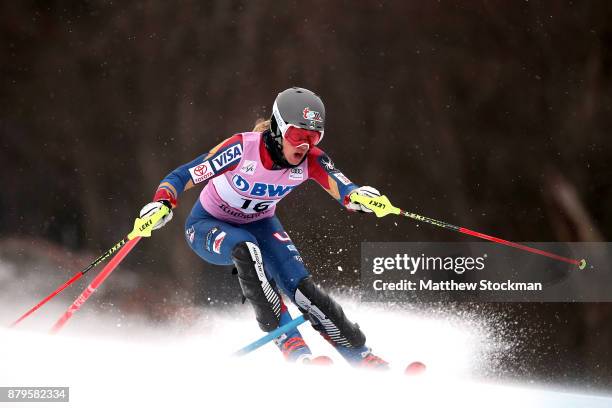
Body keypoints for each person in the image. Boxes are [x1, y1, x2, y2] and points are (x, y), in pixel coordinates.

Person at [140, 87, 388, 368]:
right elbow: (183, 174)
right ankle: (294, 350)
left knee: (303, 290)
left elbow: (344, 188)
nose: (305, 144)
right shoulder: (242, 148)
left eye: (314, 136)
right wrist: (163, 202)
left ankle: (362, 357)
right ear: (278, 128)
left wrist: (360, 198)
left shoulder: (311, 160)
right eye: (298, 135)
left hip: (260, 225)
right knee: (246, 249)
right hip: (207, 225)